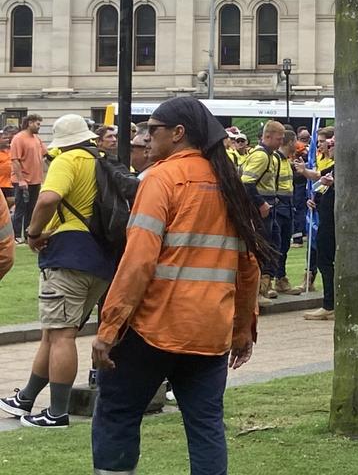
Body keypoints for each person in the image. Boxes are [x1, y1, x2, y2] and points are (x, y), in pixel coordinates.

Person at [87, 97, 273, 474]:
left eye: (151, 129)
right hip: (209, 331)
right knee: (206, 426)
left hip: (151, 328)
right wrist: (242, 330)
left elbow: (138, 261)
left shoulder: (159, 179)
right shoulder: (227, 182)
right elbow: (247, 266)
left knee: (118, 414)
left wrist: (109, 328)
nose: (144, 137)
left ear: (178, 133)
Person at [0, 114, 114, 429]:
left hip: (69, 254)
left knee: (61, 334)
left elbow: (49, 198)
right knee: (54, 332)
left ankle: (57, 412)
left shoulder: (68, 160)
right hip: (101, 256)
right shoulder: (101, 160)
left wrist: (34, 232)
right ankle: (26, 397)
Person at [240, 120, 300, 301]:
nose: (281, 142)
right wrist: (261, 204)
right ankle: (257, 290)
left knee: (273, 245)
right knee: (261, 248)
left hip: (269, 206)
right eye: (279, 139)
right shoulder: (261, 156)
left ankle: (263, 286)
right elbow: (246, 182)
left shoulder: (270, 155)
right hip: (261, 209)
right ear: (267, 137)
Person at [305, 132, 340, 321]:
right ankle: (330, 302)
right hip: (327, 220)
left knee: (325, 261)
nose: (328, 148)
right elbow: (321, 184)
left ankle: (329, 304)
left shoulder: (343, 170)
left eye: (332, 145)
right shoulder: (335, 168)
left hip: (333, 223)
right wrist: (314, 201)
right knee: (325, 260)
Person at [10, 113, 46, 243]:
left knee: (32, 209)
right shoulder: (18, 138)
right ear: (30, 123)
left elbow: (46, 154)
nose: (39, 126)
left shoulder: (36, 138)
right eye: (37, 124)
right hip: (23, 181)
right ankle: (16, 236)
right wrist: (21, 180)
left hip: (36, 180)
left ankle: (27, 234)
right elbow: (15, 160)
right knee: (20, 209)